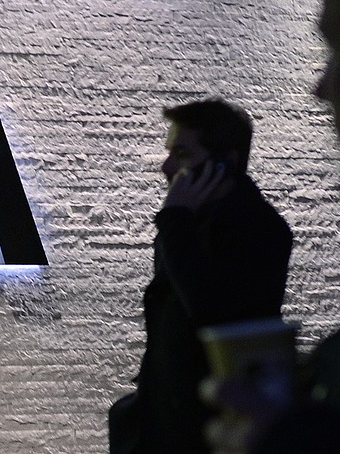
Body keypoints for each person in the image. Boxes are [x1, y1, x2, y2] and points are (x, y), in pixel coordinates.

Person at [202, 0, 340, 452]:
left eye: (339, 47)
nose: (321, 89)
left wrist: (294, 440)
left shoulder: (259, 224)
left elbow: (210, 306)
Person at [109, 99, 293, 453]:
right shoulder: (186, 223)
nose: (167, 167)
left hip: (211, 430)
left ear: (226, 163)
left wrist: (177, 221)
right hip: (164, 422)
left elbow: (209, 308)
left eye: (182, 154)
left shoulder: (260, 230)